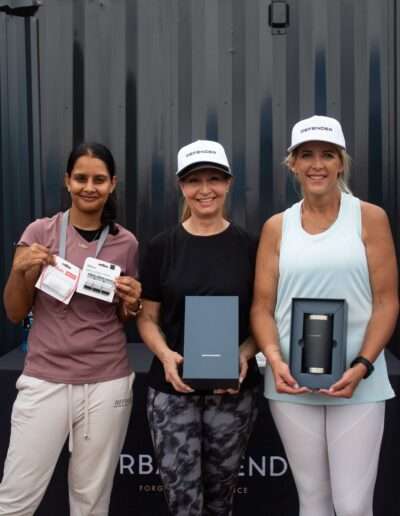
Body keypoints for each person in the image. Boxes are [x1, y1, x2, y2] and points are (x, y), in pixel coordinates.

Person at [251, 115, 399, 516]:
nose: (317, 164)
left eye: (327, 155)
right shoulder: (277, 227)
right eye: (307, 155)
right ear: (293, 164)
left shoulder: (370, 217)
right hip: (291, 385)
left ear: (341, 163)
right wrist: (275, 360)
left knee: (352, 506)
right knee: (313, 503)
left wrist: (363, 365)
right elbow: (262, 308)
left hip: (359, 383)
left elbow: (387, 302)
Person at [0, 142, 142, 515]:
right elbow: (14, 312)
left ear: (112, 183)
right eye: (81, 178)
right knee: (15, 498)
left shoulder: (125, 243)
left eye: (99, 179)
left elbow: (124, 316)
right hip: (45, 379)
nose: (89, 187)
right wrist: (19, 270)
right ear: (67, 181)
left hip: (106, 380)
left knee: (91, 501)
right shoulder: (40, 232)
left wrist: (133, 302)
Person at [137, 140, 261, 516]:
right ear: (181, 186)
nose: (204, 189)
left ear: (228, 183)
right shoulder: (161, 247)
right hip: (172, 390)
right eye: (194, 180)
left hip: (233, 392)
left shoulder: (251, 247)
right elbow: (146, 318)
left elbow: (264, 318)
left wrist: (244, 353)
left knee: (221, 501)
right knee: (183, 503)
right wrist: (165, 355)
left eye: (214, 179)